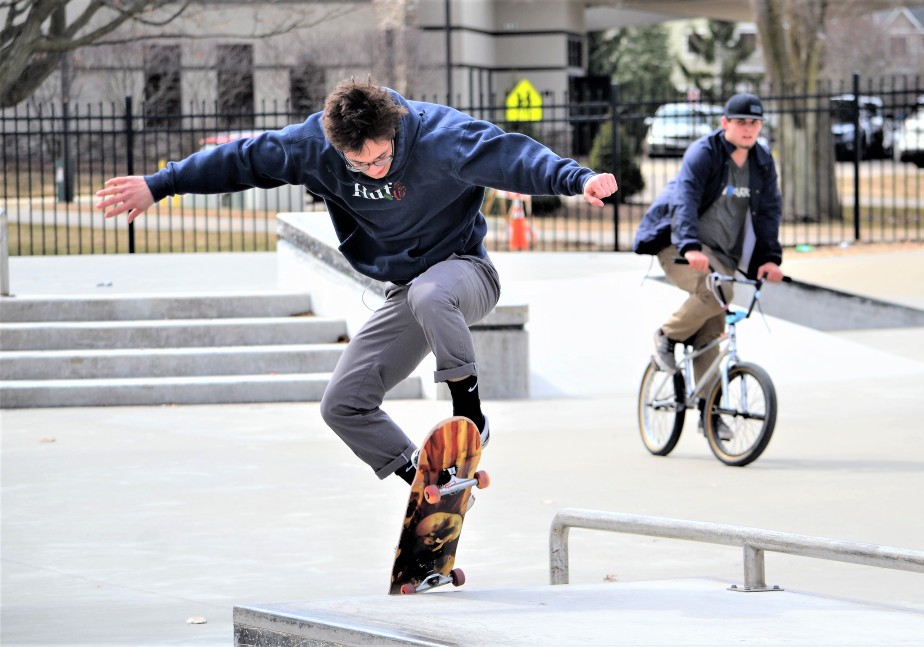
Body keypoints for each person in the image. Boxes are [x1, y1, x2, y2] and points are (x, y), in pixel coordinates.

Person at [96, 77, 617, 484]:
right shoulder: (312, 146)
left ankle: (470, 416)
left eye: (382, 157)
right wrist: (159, 184)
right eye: (358, 163)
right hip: (406, 295)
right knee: (342, 404)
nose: (373, 171)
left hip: (465, 275)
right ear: (335, 145)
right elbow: (243, 158)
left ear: (394, 130)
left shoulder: (443, 136)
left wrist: (579, 179)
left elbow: (515, 156)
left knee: (434, 292)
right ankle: (424, 481)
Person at [632, 92, 784, 436]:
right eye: (741, 122)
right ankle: (667, 336)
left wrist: (770, 259)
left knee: (713, 333)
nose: (749, 129)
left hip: (721, 255)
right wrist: (689, 245)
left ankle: (709, 411)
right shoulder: (705, 153)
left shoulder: (762, 161)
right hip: (677, 243)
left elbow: (770, 213)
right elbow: (684, 198)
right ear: (725, 123)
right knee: (717, 290)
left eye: (755, 122)